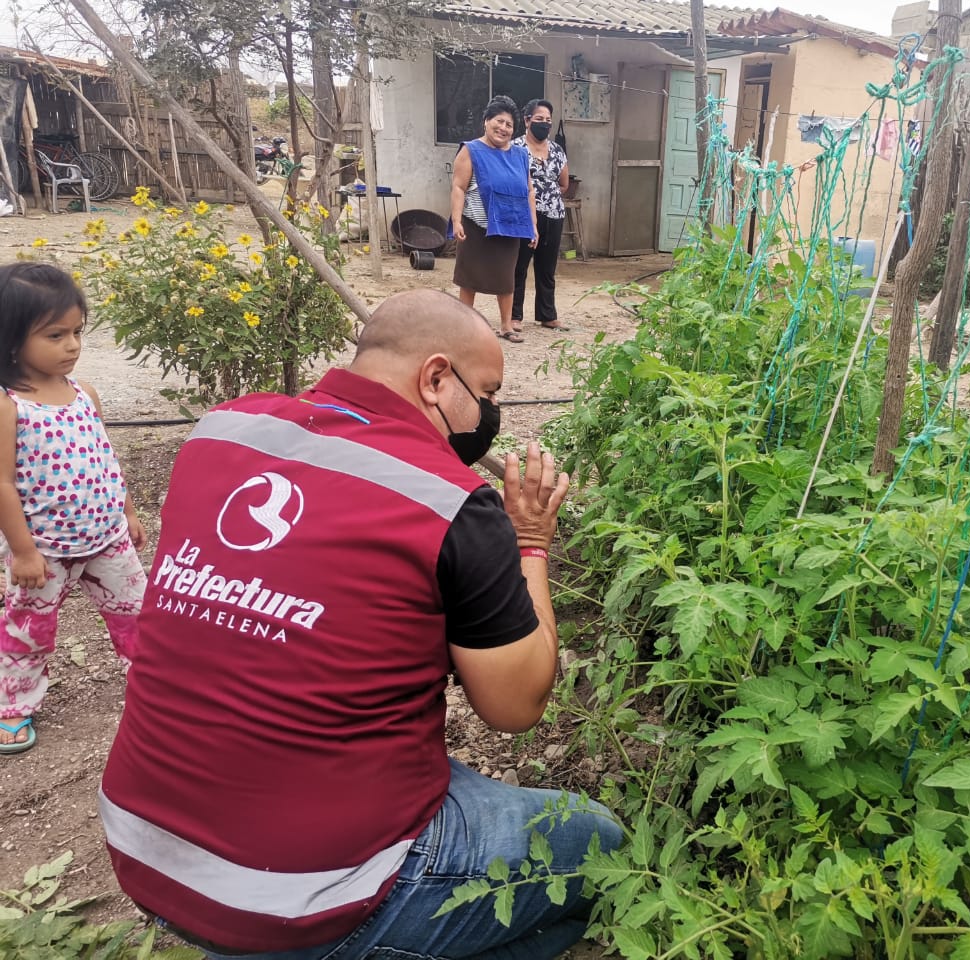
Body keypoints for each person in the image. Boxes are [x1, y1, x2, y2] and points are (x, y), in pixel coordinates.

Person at [100, 289, 622, 959]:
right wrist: (529, 543)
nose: (490, 413)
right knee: (597, 843)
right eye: (488, 393)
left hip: (143, 847)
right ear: (436, 378)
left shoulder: (221, 430)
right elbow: (514, 707)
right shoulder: (449, 501)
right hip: (301, 898)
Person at [0, 262, 146, 756]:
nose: (72, 345)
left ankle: (151, 681)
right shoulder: (9, 406)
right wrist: (23, 551)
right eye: (55, 335)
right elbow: (2, 483)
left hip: (108, 537)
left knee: (137, 614)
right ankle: (14, 702)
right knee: (30, 629)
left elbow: (105, 457)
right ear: (12, 338)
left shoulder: (85, 395)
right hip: (44, 549)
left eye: (77, 332)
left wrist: (127, 512)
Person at [452, 95, 538, 343]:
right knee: (469, 277)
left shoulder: (520, 155)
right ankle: (464, 326)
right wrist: (456, 220)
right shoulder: (471, 150)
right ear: (486, 121)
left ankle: (506, 326)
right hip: (475, 224)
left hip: (510, 224)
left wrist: (533, 225)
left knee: (506, 278)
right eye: (499, 121)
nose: (503, 128)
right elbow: (458, 187)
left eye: (509, 125)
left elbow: (529, 191)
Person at [512, 99, 570, 332]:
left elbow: (564, 184)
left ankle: (547, 315)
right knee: (518, 266)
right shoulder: (515, 147)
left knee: (547, 267)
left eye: (548, 120)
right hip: (524, 216)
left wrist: (547, 198)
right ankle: (514, 315)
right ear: (527, 120)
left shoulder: (557, 150)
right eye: (539, 119)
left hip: (554, 214)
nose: (544, 124)